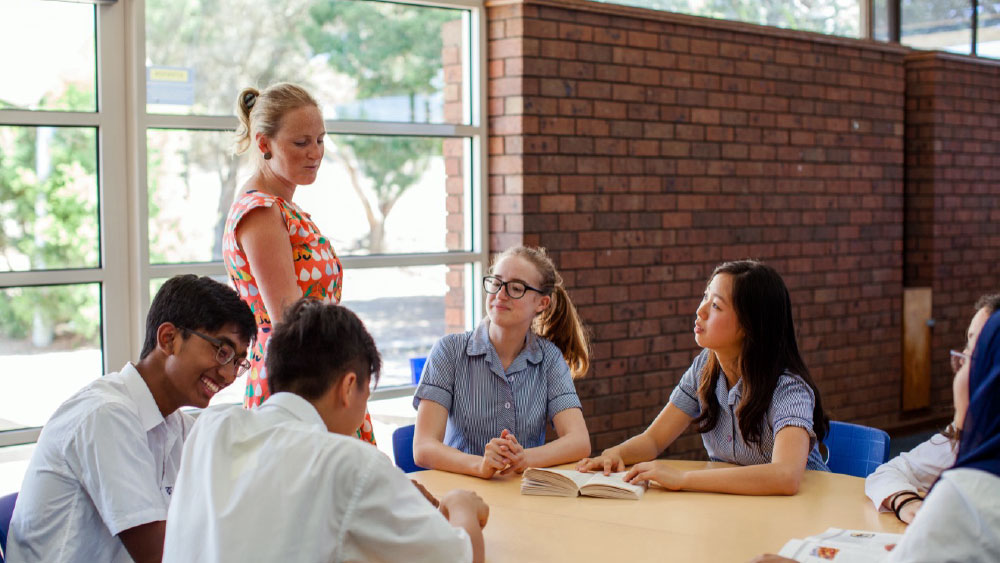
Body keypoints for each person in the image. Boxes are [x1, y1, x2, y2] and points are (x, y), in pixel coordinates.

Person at [162, 300, 489, 563]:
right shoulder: (351, 463)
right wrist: (462, 505)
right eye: (366, 393)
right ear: (349, 387)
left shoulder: (210, 428)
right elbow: (461, 556)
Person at [6, 275, 255, 563]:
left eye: (237, 362)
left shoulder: (177, 426)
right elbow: (160, 556)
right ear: (168, 339)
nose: (227, 375)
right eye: (221, 352)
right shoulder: (106, 415)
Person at [750, 311, 1000, 563]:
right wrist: (905, 501)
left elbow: (784, 475)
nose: (957, 372)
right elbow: (889, 472)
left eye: (972, 358)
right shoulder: (958, 454)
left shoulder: (967, 498)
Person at [578, 260, 829, 495]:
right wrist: (614, 453)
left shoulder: (788, 389)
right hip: (746, 509)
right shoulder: (704, 369)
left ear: (749, 325)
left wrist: (683, 479)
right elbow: (653, 440)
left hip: (806, 516)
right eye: (705, 297)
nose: (700, 310)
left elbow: (785, 476)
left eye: (716, 305)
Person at [223, 82, 375, 443]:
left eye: (320, 140)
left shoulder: (282, 206)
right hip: (300, 383)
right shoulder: (261, 211)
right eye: (301, 143)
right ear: (264, 144)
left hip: (320, 373)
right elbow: (289, 322)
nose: (315, 153)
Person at [412, 246, 591, 479]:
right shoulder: (449, 351)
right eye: (496, 283)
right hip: (459, 496)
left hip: (520, 496)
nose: (500, 294)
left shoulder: (549, 359)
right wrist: (479, 465)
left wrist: (524, 459)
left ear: (542, 303)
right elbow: (423, 447)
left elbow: (579, 442)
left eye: (516, 288)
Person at [865, 293, 999, 523]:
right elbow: (890, 471)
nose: (960, 367)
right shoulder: (959, 439)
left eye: (976, 350)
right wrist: (905, 501)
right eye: (964, 349)